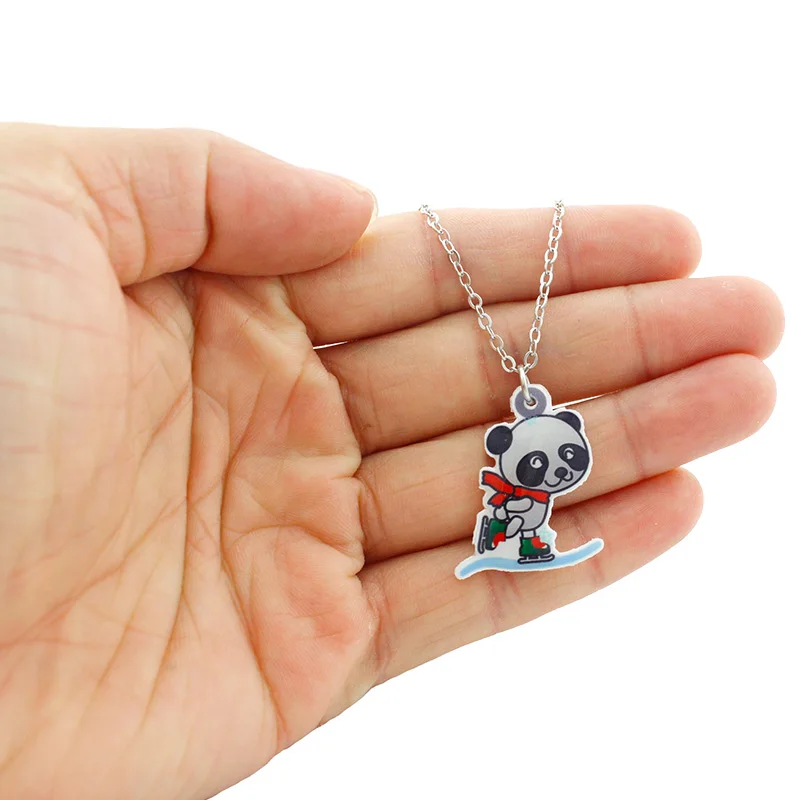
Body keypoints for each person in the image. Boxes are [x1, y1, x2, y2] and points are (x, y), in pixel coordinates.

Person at [0, 125, 783, 800]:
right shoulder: (504, 472)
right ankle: (508, 548)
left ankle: (521, 547)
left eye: (564, 460)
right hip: (485, 530)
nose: (554, 472)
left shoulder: (531, 449)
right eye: (543, 464)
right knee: (514, 524)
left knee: (535, 522)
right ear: (509, 449)